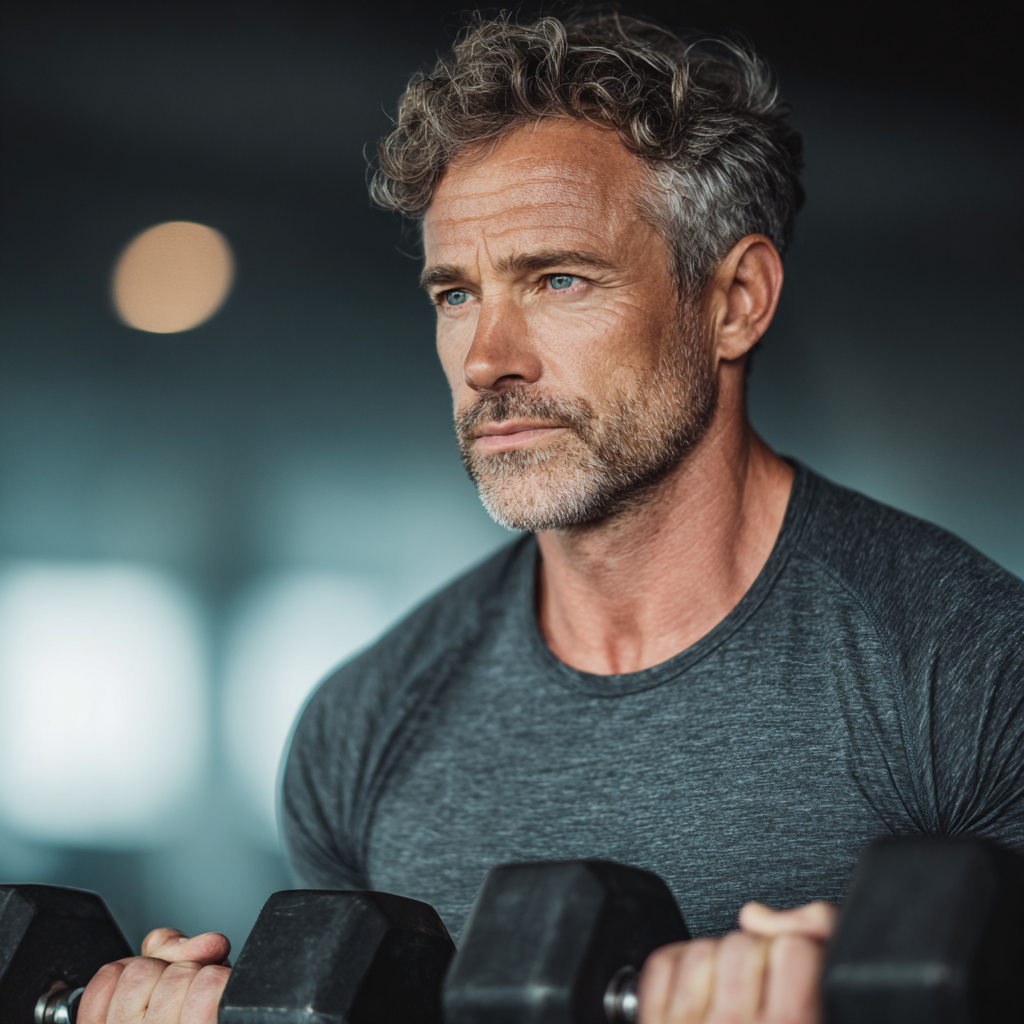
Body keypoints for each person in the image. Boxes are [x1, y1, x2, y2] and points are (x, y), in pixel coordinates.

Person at [80, 11, 1023, 1024]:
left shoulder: (967, 673)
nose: (488, 358)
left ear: (735, 300)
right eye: (456, 293)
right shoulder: (360, 728)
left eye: (558, 279)